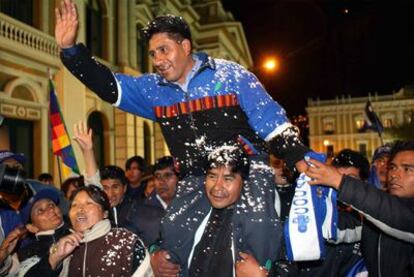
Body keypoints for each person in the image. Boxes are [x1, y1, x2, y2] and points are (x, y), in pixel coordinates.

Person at [55, 0, 309, 271]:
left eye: (164, 50)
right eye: (152, 54)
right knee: (174, 230)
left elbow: (269, 118)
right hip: (195, 177)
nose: (158, 61)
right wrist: (71, 51)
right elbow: (109, 85)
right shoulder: (154, 90)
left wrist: (300, 159)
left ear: (186, 46)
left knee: (258, 226)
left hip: (246, 171)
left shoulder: (231, 75)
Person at [305, 141, 414, 276]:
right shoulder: (371, 215)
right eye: (393, 167)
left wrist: (338, 180)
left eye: (407, 169)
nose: (394, 174)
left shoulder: (387, 210)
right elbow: (333, 228)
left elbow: (393, 214)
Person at [25, 185, 151, 276]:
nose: (80, 209)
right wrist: (54, 258)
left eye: (88, 203)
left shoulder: (126, 241)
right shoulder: (66, 248)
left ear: (105, 213)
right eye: (74, 205)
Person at [0, 189, 71, 276]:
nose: (50, 209)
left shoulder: (80, 235)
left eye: (51, 205)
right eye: (40, 210)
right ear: (32, 227)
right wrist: (2, 257)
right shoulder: (23, 255)